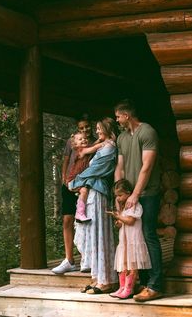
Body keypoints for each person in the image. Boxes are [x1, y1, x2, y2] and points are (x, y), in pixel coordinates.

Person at [114, 99, 163, 301]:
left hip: (147, 193)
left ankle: (155, 285)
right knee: (130, 239)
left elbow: (147, 167)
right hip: (128, 196)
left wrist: (135, 194)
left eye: (118, 116)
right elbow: (120, 168)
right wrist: (119, 196)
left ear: (127, 115)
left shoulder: (147, 132)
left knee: (148, 235)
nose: (116, 120)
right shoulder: (122, 138)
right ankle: (138, 283)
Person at [70, 117, 118, 294]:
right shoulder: (103, 145)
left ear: (107, 129)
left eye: (99, 129)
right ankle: (97, 277)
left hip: (99, 192)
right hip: (92, 191)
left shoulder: (110, 147)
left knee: (100, 234)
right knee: (93, 234)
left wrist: (76, 180)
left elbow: (97, 169)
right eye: (96, 128)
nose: (96, 132)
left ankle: (107, 280)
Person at [51, 117, 94, 274]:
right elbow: (66, 160)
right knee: (67, 220)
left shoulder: (94, 143)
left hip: (84, 186)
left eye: (87, 127)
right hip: (69, 184)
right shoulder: (71, 141)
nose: (84, 130)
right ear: (77, 128)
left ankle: (86, 258)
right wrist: (64, 177)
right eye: (81, 127)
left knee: (85, 222)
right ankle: (69, 259)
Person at [108, 179, 150, 300]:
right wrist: (118, 221)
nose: (118, 198)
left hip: (133, 240)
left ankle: (129, 288)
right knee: (123, 264)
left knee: (132, 264)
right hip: (124, 241)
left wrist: (118, 216)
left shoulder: (134, 205)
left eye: (120, 195)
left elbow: (131, 221)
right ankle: (122, 287)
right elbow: (122, 224)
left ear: (128, 192)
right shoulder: (123, 208)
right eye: (116, 196)